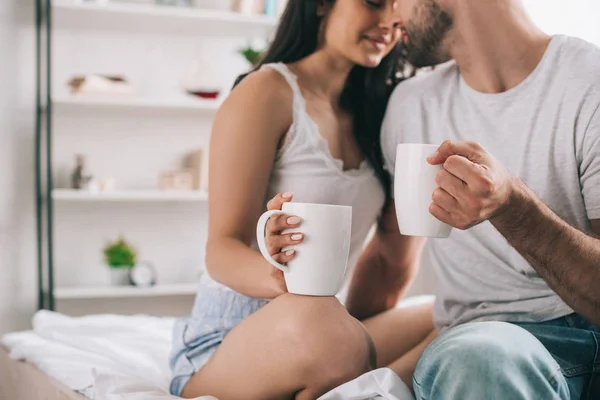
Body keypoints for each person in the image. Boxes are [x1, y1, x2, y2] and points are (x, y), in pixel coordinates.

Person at [169, 1, 434, 399]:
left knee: (455, 318)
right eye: (374, 2)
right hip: (226, 342)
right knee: (325, 325)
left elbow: (388, 265)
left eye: (399, 9)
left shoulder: (378, 112)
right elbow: (222, 249)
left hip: (320, 325)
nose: (389, 22)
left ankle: (366, 388)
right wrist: (284, 278)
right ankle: (361, 379)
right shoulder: (267, 91)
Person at [374, 0, 600, 398]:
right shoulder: (410, 105)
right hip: (458, 345)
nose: (391, 17)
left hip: (573, 339)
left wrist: (514, 208)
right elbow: (389, 263)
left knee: (478, 358)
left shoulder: (588, 82)